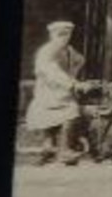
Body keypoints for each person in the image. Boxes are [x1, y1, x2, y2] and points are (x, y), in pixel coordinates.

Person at [25, 20, 88, 166]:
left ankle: (49, 150)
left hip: (62, 91)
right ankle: (63, 150)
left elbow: (80, 60)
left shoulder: (69, 50)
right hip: (48, 91)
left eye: (67, 34)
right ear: (52, 35)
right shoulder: (46, 51)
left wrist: (74, 75)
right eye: (60, 34)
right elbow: (52, 71)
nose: (64, 37)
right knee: (69, 114)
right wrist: (72, 83)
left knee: (59, 119)